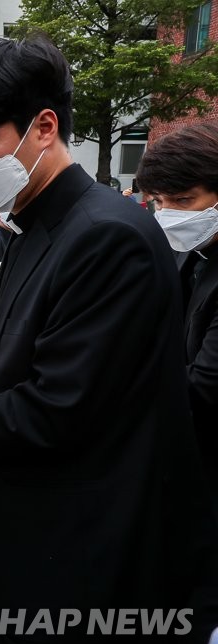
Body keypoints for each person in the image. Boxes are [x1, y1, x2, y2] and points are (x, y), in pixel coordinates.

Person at [0, 36, 218, 644]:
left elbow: (59, 409)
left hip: (80, 564)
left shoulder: (105, 235)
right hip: (29, 550)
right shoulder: (35, 221)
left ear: (43, 127)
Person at [136, 121, 218, 511]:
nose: (168, 215)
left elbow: (204, 388)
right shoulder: (190, 249)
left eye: (183, 201)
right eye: (159, 202)